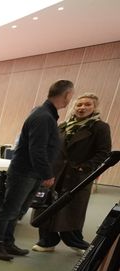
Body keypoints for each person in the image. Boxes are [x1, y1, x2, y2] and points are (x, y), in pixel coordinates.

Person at [0, 80, 74, 261]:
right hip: (25, 172)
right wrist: (47, 174)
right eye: (71, 96)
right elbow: (37, 149)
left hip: (31, 172)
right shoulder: (43, 117)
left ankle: (7, 242)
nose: (70, 100)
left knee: (18, 211)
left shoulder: (46, 114)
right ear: (66, 95)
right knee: (10, 210)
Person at [33, 92, 112, 254]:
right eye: (79, 104)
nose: (82, 107)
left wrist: (86, 167)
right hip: (55, 173)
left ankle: (75, 241)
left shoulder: (100, 127)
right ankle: (47, 241)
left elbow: (104, 152)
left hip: (78, 175)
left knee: (72, 210)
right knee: (48, 206)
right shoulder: (62, 125)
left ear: (95, 107)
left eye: (87, 104)